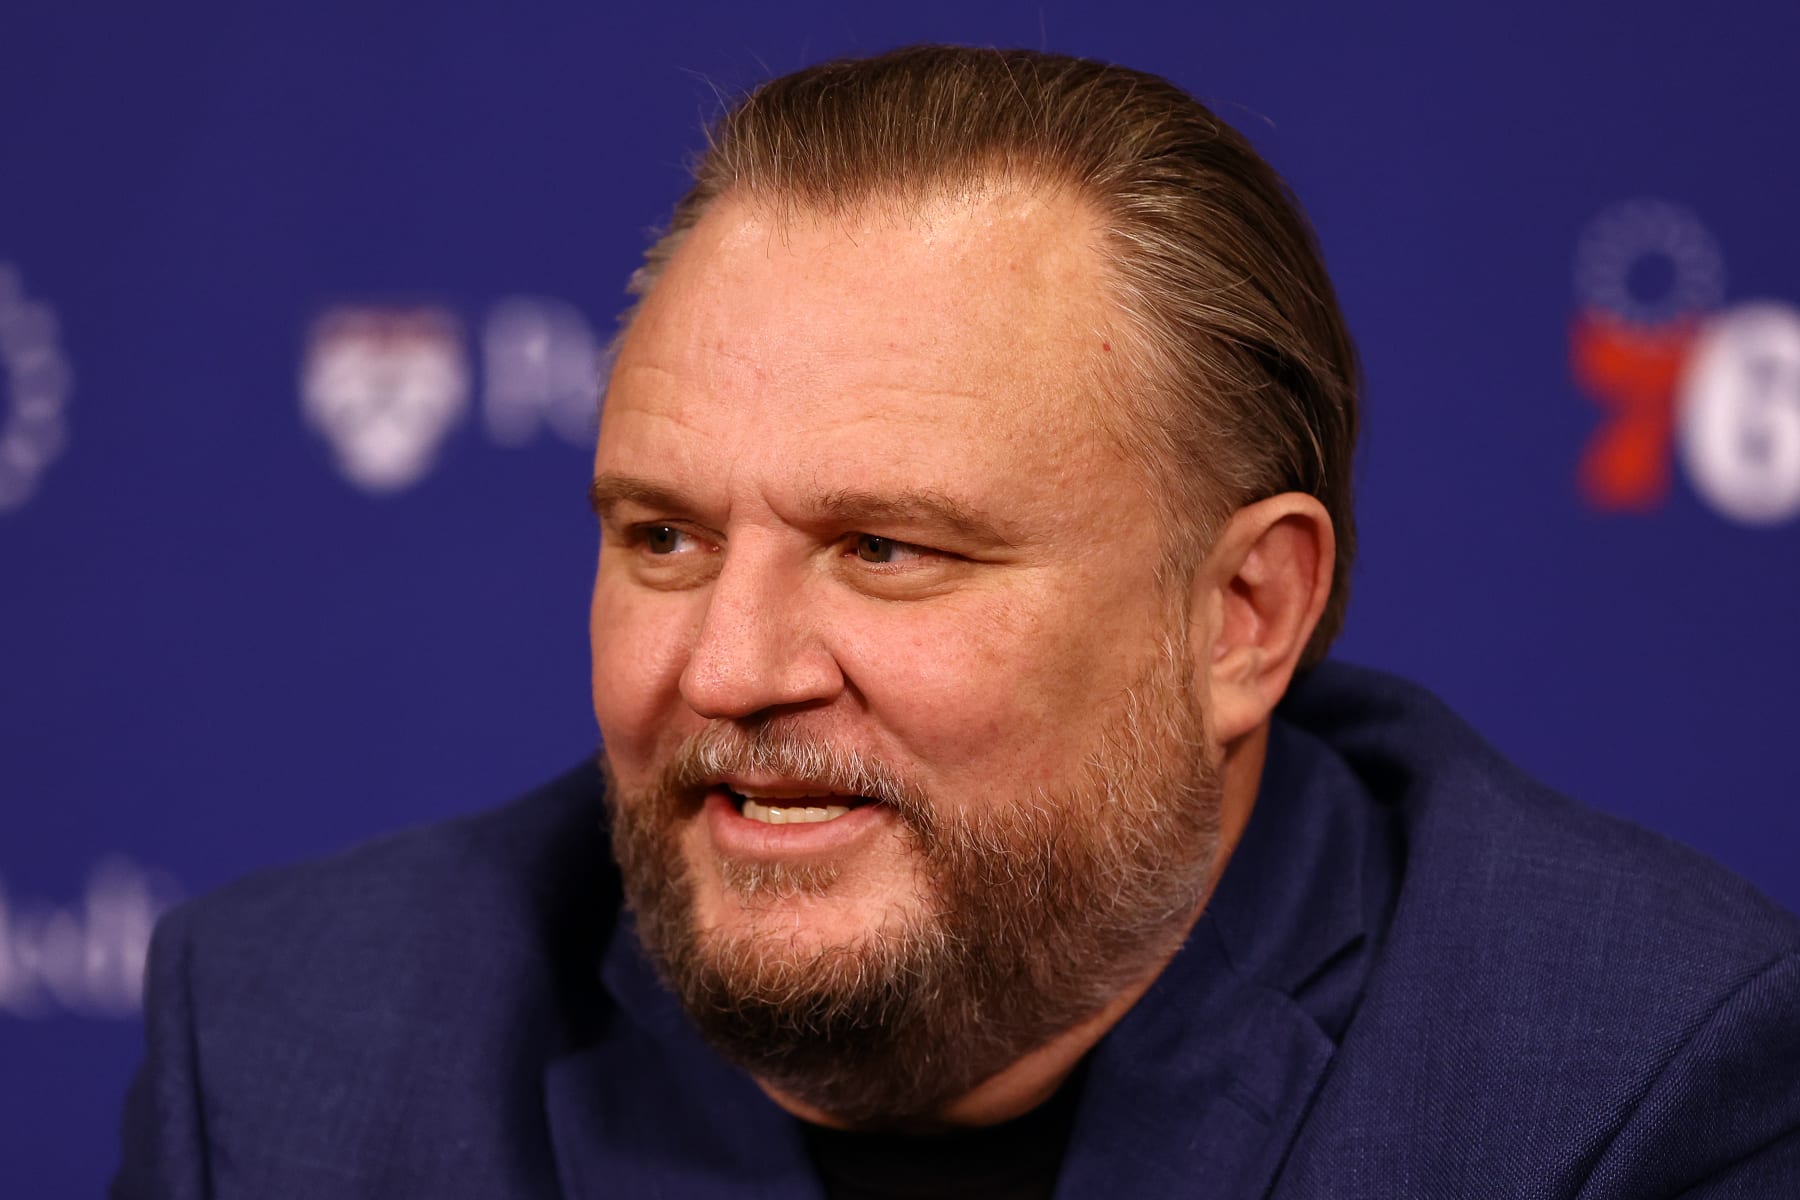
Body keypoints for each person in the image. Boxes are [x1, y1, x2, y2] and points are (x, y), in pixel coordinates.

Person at [114, 46, 1800, 1199]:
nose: (732, 669)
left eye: (886, 549)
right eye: (665, 538)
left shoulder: (1622, 1086)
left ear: (1241, 616)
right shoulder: (289, 1057)